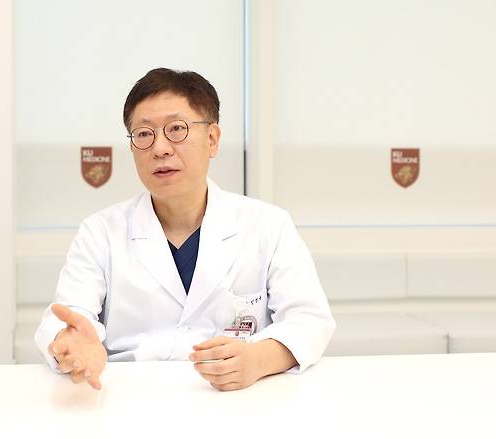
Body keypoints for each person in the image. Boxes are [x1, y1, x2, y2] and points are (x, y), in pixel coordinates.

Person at [35, 68, 335, 391]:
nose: (160, 148)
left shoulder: (268, 225)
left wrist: (258, 359)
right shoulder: (100, 232)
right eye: (144, 134)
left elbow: (309, 320)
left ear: (212, 139)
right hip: (131, 398)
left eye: (176, 129)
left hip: (235, 401)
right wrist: (72, 344)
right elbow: (68, 316)